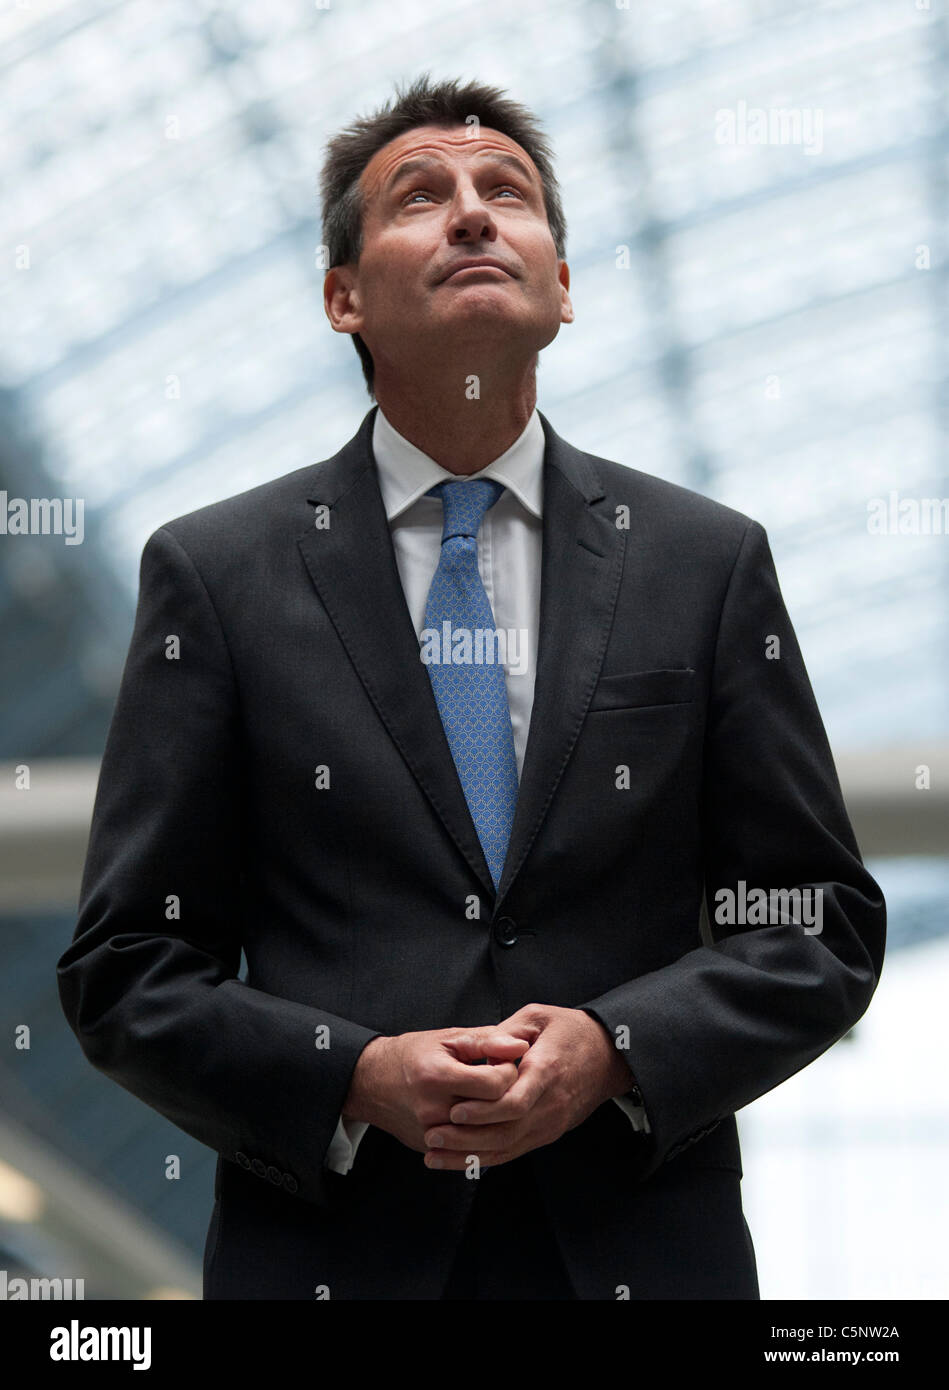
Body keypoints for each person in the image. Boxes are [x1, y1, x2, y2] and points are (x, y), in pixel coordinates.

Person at [57, 74, 886, 1301]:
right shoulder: (216, 576)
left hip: (642, 1263)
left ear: (562, 285)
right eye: (420, 195)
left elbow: (815, 919)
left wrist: (616, 1050)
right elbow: (127, 964)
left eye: (509, 194)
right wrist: (354, 1071)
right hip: (336, 1262)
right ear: (343, 297)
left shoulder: (704, 562)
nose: (472, 215)